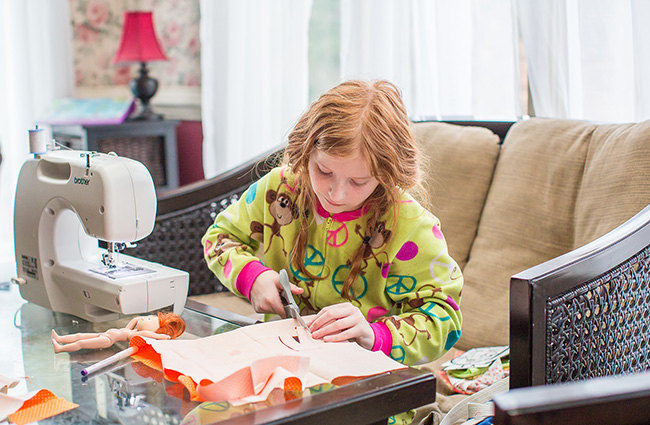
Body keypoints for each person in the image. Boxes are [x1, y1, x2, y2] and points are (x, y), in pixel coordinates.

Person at [202, 80, 462, 366]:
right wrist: (252, 277)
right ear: (306, 151)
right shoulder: (279, 189)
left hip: (365, 374)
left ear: (387, 173)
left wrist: (374, 334)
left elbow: (444, 319)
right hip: (279, 361)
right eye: (324, 171)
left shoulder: (411, 226)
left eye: (358, 182)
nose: (336, 195)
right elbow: (219, 237)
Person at [52, 312, 186, 353]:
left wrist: (164, 337)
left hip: (108, 340)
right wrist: (145, 319)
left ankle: (60, 349)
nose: (146, 318)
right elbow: (135, 319)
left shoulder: (136, 334)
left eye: (150, 319)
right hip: (107, 333)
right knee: (80, 336)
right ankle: (60, 339)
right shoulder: (131, 329)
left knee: (81, 343)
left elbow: (154, 335)